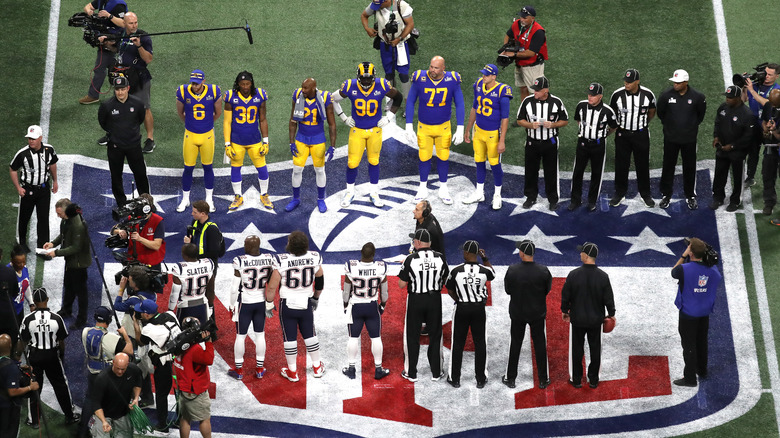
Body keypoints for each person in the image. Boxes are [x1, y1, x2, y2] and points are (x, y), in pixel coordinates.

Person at [332, 62, 403, 208]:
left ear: (373, 77)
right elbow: (333, 99)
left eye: (368, 78)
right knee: (352, 163)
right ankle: (350, 192)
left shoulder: (382, 85)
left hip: (375, 131)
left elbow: (398, 98)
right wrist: (343, 117)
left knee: (374, 161)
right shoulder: (349, 86)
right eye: (363, 78)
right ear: (358, 77)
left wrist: (389, 117)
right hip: (357, 130)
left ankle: (374, 192)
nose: (365, 81)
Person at [404, 55, 465, 204]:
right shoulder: (419, 77)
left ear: (443, 68)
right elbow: (411, 101)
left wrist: (460, 128)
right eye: (431, 66)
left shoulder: (453, 79)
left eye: (436, 67)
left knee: (443, 157)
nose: (432, 70)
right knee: (424, 157)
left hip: (443, 127)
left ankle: (443, 188)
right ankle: (422, 187)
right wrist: (408, 125)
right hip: (424, 127)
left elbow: (460, 103)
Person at [265, 231, 325, 382]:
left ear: (290, 245)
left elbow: (272, 287)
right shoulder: (314, 257)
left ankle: (293, 372)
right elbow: (320, 280)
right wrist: (316, 298)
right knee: (310, 334)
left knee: (289, 337)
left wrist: (269, 303)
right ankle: (317, 367)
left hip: (288, 304)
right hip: (305, 302)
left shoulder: (281, 260)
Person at [20, 288, 80, 427]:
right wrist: (62, 355)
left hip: (34, 356)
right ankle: (69, 416)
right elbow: (61, 341)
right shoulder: (56, 318)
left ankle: (34, 420)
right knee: (60, 386)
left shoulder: (28, 319)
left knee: (34, 386)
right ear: (47, 299)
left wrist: (18, 357)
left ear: (34, 302)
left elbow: (22, 341)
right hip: (52, 355)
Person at [560, 243, 616, 389]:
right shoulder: (603, 276)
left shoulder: (573, 274)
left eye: (581, 253)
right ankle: (593, 380)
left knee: (576, 350)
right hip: (595, 320)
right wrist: (612, 314)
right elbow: (608, 298)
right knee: (595, 349)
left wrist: (565, 311)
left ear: (586, 255)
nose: (580, 255)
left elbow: (566, 295)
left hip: (577, 319)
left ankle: (577, 379)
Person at [398, 229, 449, 382]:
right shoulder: (440, 258)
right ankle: (436, 372)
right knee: (435, 335)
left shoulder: (410, 258)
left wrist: (407, 264)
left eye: (414, 240)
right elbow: (447, 279)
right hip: (434, 300)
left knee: (412, 336)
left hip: (416, 299)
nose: (413, 242)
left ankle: (411, 372)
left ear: (418, 243)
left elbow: (401, 284)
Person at [671, 238, 722, 387]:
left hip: (688, 313)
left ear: (691, 253)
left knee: (689, 346)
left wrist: (683, 256)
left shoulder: (684, 269)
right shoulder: (713, 270)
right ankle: (702, 370)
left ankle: (690, 379)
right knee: (701, 341)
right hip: (704, 312)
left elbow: (674, 272)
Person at [502, 239, 552, 389]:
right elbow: (546, 290)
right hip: (537, 313)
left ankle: (510, 378)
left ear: (522, 253)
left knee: (515, 344)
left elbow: (508, 290)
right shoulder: (543, 270)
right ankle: (543, 379)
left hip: (518, 312)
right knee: (539, 344)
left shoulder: (512, 270)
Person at [463, 64, 513, 209]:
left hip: (493, 134)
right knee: (478, 161)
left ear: (494, 76)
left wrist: (502, 140)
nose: (483, 76)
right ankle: (479, 192)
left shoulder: (502, 91)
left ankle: (497, 195)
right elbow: (474, 107)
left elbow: (505, 118)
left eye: (486, 75)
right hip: (478, 130)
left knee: (494, 163)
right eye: (483, 74)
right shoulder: (479, 84)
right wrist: (468, 128)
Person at [445, 240, 494, 389]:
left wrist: (459, 300)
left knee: (458, 343)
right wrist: (485, 258)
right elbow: (492, 274)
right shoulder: (484, 271)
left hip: (462, 308)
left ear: (466, 253)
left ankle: (455, 378)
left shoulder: (456, 271)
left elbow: (450, 290)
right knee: (480, 343)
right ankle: (480, 379)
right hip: (478, 309)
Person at [78, 306, 133, 438]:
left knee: (90, 400)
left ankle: (82, 432)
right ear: (109, 320)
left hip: (91, 372)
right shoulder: (112, 338)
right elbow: (130, 351)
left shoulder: (85, 331)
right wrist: (125, 335)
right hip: (106, 376)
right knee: (107, 405)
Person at [657, 69, 708, 210]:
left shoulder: (698, 97)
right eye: (674, 82)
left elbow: (700, 116)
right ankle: (666, 194)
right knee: (668, 166)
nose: (675, 85)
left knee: (690, 167)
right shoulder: (665, 95)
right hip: (671, 139)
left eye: (678, 83)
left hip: (689, 139)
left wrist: (689, 127)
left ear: (686, 82)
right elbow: (661, 113)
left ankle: (690, 195)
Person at [223, 71, 273, 211]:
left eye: (248, 84)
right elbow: (227, 122)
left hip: (254, 140)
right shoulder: (231, 97)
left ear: (252, 84)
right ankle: (238, 196)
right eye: (242, 84)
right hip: (237, 140)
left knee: (262, 167)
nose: (245, 87)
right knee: (235, 168)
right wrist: (227, 144)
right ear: (238, 85)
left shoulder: (260, 95)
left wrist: (266, 141)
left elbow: (262, 119)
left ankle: (264, 194)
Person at [517, 76, 568, 210]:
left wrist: (553, 125)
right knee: (530, 171)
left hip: (549, 142)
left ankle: (552, 199)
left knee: (551, 172)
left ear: (546, 90)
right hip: (532, 142)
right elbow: (519, 120)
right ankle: (530, 197)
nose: (535, 93)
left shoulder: (556, 102)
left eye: (538, 90)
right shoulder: (527, 101)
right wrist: (529, 125)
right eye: (534, 90)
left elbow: (565, 120)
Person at [287, 78, 337, 213]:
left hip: (318, 139)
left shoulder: (325, 97)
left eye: (306, 88)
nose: (303, 90)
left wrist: (332, 146)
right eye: (302, 87)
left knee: (320, 170)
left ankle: (321, 199)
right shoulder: (297, 95)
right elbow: (293, 121)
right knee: (297, 169)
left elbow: (332, 124)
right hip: (301, 138)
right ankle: (295, 198)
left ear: (314, 88)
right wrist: (291, 142)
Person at [341, 242, 391, 380]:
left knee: (353, 337)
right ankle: (378, 369)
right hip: (372, 306)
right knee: (376, 338)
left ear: (361, 253)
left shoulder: (352, 267)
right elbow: (385, 292)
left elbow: (346, 292)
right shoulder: (381, 268)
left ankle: (351, 368)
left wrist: (345, 306)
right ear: (373, 254)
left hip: (356, 306)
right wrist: (382, 306)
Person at [176, 69, 223, 213]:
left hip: (207, 135)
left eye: (197, 83)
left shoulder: (214, 91)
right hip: (190, 135)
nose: (194, 86)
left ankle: (209, 198)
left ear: (203, 81)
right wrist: (192, 124)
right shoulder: (183, 91)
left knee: (208, 167)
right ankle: (185, 199)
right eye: (193, 83)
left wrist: (206, 124)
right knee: (188, 168)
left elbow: (218, 113)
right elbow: (180, 112)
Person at [98, 75, 149, 207]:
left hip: (134, 145)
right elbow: (103, 123)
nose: (120, 92)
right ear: (114, 90)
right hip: (115, 147)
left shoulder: (137, 103)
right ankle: (121, 203)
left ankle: (145, 201)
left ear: (128, 88)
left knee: (140, 174)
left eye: (122, 89)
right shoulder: (107, 105)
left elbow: (140, 119)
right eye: (117, 89)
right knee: (116, 176)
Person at [609, 69, 657, 208]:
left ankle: (645, 193)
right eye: (625, 81)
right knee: (621, 164)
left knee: (642, 164)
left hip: (640, 134)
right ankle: (619, 192)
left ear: (637, 81)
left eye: (630, 82)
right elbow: (612, 114)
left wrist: (640, 125)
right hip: (622, 134)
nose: (626, 84)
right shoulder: (617, 95)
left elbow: (652, 112)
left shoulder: (648, 94)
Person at [228, 235, 274, 380]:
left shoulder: (240, 261)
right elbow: (272, 282)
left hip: (245, 303)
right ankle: (260, 368)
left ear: (246, 246)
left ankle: (239, 369)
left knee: (240, 336)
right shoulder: (269, 258)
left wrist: (231, 305)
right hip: (261, 302)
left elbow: (234, 288)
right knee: (260, 334)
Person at [9, 124, 58, 254]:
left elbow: (52, 163)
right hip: (28, 189)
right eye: (29, 138)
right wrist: (18, 187)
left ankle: (43, 247)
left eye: (34, 138)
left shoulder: (49, 150)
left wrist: (55, 181)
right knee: (24, 218)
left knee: (43, 218)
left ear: (41, 138)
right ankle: (22, 242)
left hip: (43, 189)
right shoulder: (22, 153)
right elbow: (12, 169)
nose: (31, 140)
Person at [569, 83, 617, 211]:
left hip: (598, 145)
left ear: (600, 96)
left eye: (594, 95)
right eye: (589, 94)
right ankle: (575, 200)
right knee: (577, 172)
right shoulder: (581, 105)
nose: (590, 97)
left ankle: (592, 201)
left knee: (596, 173)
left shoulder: (607, 111)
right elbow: (578, 120)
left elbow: (613, 126)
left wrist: (603, 135)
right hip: (583, 143)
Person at [133, 299, 180, 432]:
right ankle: (180, 420)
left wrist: (135, 323)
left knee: (161, 394)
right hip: (180, 360)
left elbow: (141, 342)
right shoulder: (171, 314)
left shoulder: (149, 329)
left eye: (141, 313)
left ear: (147, 315)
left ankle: (162, 425)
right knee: (180, 392)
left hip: (164, 364)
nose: (139, 314)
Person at [44, 199, 92, 329]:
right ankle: (66, 309)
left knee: (81, 293)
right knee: (69, 286)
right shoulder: (66, 220)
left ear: (66, 211)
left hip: (79, 264)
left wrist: (56, 252)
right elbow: (63, 235)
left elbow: (76, 247)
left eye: (60, 213)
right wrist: (53, 243)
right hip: (71, 262)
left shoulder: (78, 225)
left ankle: (82, 319)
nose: (58, 216)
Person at [360, 0, 415, 103]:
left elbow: (410, 25)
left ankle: (408, 102)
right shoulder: (376, 5)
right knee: (389, 74)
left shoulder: (402, 6)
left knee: (403, 74)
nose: (377, 7)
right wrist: (367, 28)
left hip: (401, 45)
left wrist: (400, 38)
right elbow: (364, 15)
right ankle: (389, 101)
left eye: (380, 4)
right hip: (385, 45)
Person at [711, 86, 755, 211]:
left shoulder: (747, 114)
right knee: (719, 174)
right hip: (722, 149)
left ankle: (735, 201)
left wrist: (732, 146)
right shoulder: (723, 108)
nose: (727, 99)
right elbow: (717, 123)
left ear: (738, 98)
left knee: (737, 177)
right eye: (726, 96)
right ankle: (718, 197)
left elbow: (748, 136)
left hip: (737, 152)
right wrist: (716, 137)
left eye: (730, 97)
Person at [78, 0, 127, 105]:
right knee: (102, 69)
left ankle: (121, 98)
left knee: (114, 71)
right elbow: (88, 6)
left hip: (116, 41)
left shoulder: (118, 5)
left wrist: (109, 16)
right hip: (104, 39)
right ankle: (93, 95)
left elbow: (124, 23)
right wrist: (89, 11)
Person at [174, 317, 214, 438]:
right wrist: (208, 341)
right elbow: (209, 359)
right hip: (195, 390)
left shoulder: (178, 343)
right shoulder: (195, 349)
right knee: (204, 419)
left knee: (185, 418)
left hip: (182, 387)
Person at [743, 63, 780, 187]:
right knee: (753, 152)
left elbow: (767, 103)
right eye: (766, 73)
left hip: (770, 127)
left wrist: (752, 91)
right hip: (754, 125)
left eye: (770, 74)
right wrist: (744, 87)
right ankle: (750, 177)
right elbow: (743, 99)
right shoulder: (755, 85)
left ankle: (771, 180)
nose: (766, 76)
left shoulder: (777, 91)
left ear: (777, 76)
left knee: (771, 154)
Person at [500, 5, 548, 101]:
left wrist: (514, 54)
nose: (521, 19)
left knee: (536, 92)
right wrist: (506, 48)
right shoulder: (517, 24)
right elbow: (508, 35)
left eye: (525, 18)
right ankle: (524, 112)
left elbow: (531, 53)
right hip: (520, 64)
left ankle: (537, 112)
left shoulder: (538, 32)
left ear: (532, 18)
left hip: (533, 67)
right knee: (523, 88)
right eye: (521, 17)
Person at [88, 352, 141, 438]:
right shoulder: (102, 378)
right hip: (103, 414)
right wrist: (104, 421)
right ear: (113, 362)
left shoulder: (134, 370)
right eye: (118, 368)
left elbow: (138, 382)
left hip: (122, 413)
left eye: (123, 369)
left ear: (127, 364)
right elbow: (96, 403)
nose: (120, 372)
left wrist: (136, 398)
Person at [184, 200, 224, 313]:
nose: (192, 214)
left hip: (208, 265)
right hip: (196, 262)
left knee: (208, 292)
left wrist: (196, 255)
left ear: (203, 213)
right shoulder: (195, 222)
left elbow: (215, 252)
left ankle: (210, 316)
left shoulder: (212, 229)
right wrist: (189, 242)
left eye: (195, 212)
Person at [110, 194, 165, 269]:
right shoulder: (133, 217)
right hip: (133, 261)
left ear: (149, 207)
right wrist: (120, 231)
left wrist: (140, 239)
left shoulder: (157, 221)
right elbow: (113, 230)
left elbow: (156, 246)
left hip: (151, 263)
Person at [0, 333, 39, 437]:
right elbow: (12, 391)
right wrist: (30, 387)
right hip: (7, 407)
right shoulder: (11, 367)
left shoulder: (9, 364)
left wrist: (20, 368)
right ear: (10, 346)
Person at [167, 243, 215, 325]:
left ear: (186, 255)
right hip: (203, 305)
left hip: (185, 307)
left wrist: (170, 310)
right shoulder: (208, 263)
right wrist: (210, 306)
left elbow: (175, 293)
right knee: (203, 333)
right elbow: (210, 290)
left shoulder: (179, 268)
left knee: (182, 335)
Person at [760, 90, 780, 216]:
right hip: (770, 147)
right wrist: (766, 129)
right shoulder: (768, 105)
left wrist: (774, 132)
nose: (772, 106)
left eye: (775, 104)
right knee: (767, 175)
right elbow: (764, 121)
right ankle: (769, 202)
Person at [0, 249, 22, 348]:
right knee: (10, 345)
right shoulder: (9, 272)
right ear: (1, 256)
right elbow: (15, 293)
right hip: (8, 317)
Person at [7, 244, 33, 327]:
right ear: (12, 261)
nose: (22, 264)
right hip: (10, 312)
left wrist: (31, 303)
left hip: (19, 308)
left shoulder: (24, 269)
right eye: (19, 263)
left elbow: (26, 285)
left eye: (24, 261)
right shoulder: (8, 274)